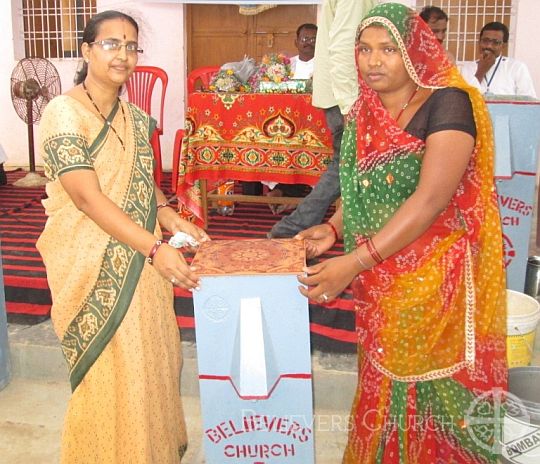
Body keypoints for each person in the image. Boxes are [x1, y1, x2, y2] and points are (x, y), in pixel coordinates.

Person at [297, 3, 507, 462]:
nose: (373, 61)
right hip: (383, 274)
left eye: (388, 49)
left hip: (438, 278)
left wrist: (352, 262)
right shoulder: (364, 110)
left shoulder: (448, 101)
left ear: (414, 50)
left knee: (433, 387)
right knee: (385, 378)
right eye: (364, 49)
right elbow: (363, 188)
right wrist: (334, 228)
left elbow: (430, 199)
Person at [36, 10, 209, 463]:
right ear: (87, 50)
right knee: (113, 367)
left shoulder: (133, 116)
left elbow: (139, 178)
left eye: (131, 45)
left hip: (143, 257)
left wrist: (169, 216)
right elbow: (89, 198)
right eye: (111, 44)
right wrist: (154, 248)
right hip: (92, 261)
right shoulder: (63, 112)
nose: (123, 54)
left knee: (152, 357)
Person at [268, 0, 376, 238]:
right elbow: (345, 47)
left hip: (348, 96)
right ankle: (291, 231)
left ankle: (296, 231)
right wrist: (349, 106)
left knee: (348, 167)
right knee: (345, 166)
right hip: (349, 98)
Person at [264, 23, 318, 212]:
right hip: (284, 122)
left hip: (312, 124)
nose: (309, 43)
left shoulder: (324, 66)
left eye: (313, 39)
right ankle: (281, 191)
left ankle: (284, 193)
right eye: (305, 39)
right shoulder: (284, 65)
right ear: (296, 42)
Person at [459, 21, 537, 97]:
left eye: (495, 42)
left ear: (504, 45)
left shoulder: (516, 67)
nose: (489, 46)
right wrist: (481, 71)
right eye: (485, 40)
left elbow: (528, 102)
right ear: (479, 42)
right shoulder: (466, 69)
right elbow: (462, 100)